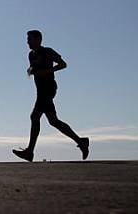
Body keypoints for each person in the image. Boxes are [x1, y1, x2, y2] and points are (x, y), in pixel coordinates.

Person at [13, 29, 89, 162]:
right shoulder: (31, 55)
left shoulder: (48, 51)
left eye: (30, 39)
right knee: (53, 121)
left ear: (38, 40)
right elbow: (32, 69)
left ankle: (30, 152)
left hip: (48, 89)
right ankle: (81, 141)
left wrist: (48, 71)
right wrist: (30, 71)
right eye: (27, 40)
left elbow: (63, 64)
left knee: (34, 116)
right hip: (40, 90)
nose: (28, 42)